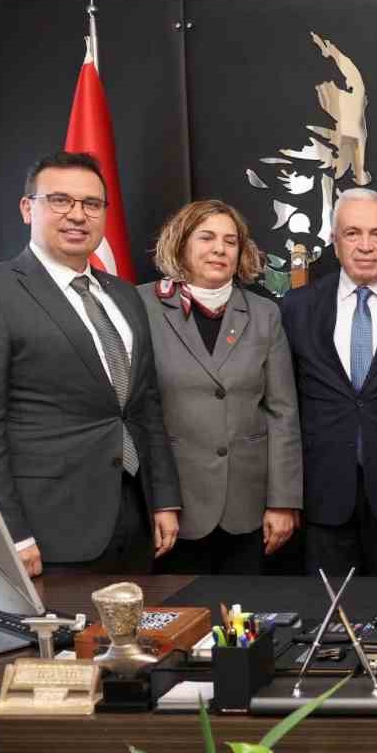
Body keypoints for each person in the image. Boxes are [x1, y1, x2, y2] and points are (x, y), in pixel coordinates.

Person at [0, 150, 180, 575]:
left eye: (91, 204)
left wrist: (163, 498)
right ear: (27, 208)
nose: (78, 215)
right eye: (60, 200)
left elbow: (144, 405)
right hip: (45, 532)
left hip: (134, 519)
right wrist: (8, 533)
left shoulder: (125, 295)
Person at [137, 200, 302, 574]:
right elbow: (137, 410)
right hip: (172, 506)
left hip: (246, 505)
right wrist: (158, 500)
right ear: (181, 243)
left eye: (230, 241)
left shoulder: (265, 314)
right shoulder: (141, 305)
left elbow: (283, 413)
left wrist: (283, 501)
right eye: (206, 237)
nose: (219, 249)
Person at [279, 187, 377, 577]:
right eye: (352, 233)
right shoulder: (297, 307)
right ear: (334, 242)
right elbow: (282, 405)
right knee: (327, 610)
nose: (366, 246)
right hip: (322, 495)